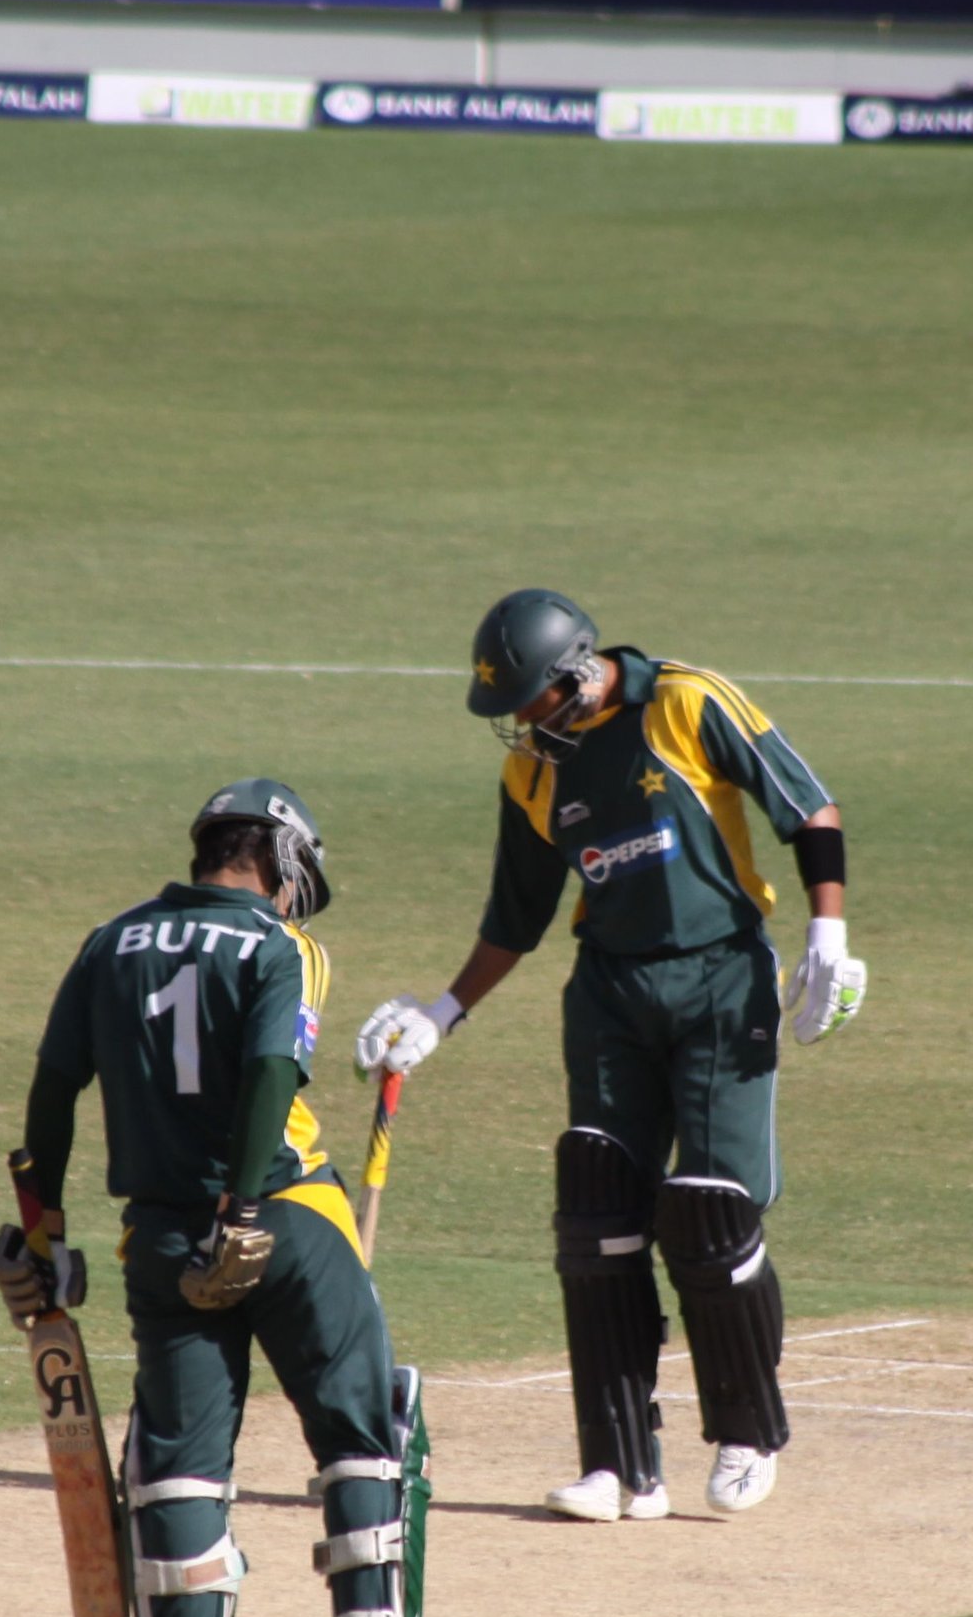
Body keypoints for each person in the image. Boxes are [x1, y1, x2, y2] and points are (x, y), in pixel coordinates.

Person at [357, 591, 864, 1522]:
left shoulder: (686, 701)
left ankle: (747, 1434)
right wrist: (442, 1012)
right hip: (608, 992)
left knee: (709, 1213)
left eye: (528, 703)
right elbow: (516, 919)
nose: (519, 726)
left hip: (720, 978)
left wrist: (828, 934)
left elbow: (809, 805)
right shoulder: (533, 778)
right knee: (596, 1213)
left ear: (576, 675)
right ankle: (619, 1465)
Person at [0, 780, 424, 1617]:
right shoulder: (285, 947)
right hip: (287, 1217)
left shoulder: (108, 942)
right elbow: (275, 1068)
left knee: (183, 1464)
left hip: (160, 1239)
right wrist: (244, 1205)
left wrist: (40, 1226)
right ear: (274, 860)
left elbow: (54, 1085)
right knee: (367, 1435)